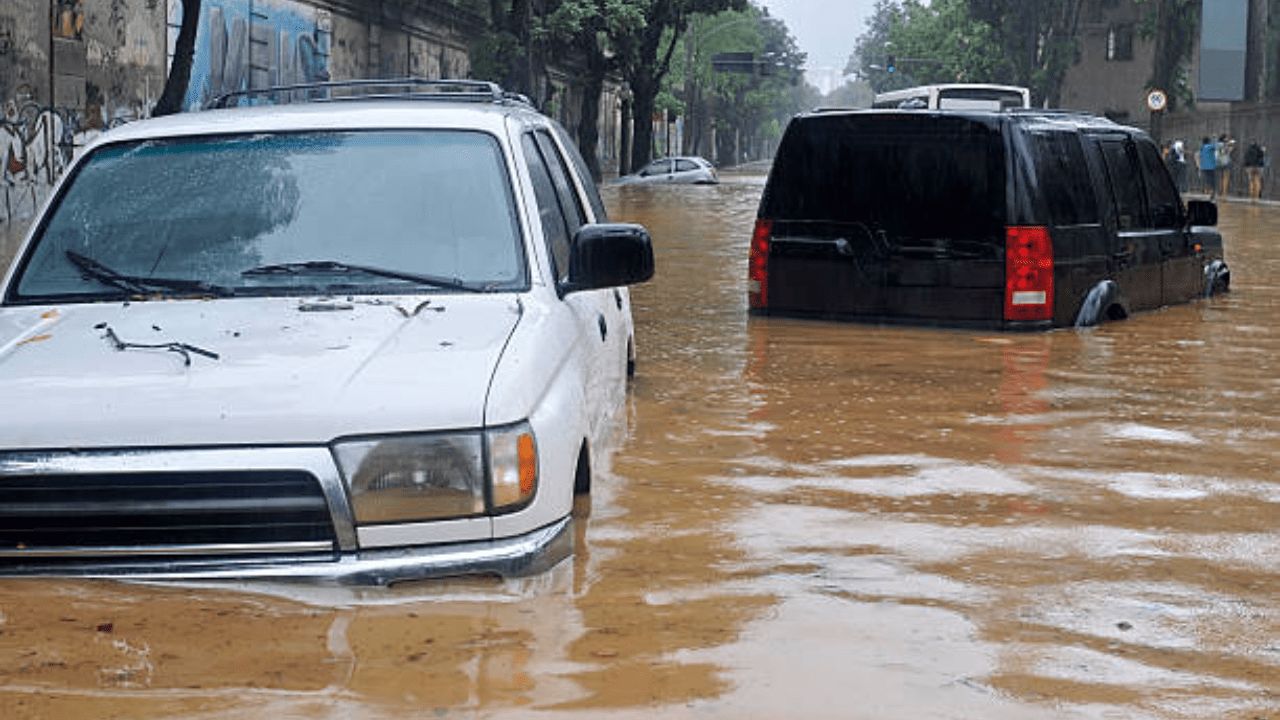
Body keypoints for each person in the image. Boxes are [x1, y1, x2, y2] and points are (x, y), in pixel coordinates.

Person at [1216, 134, 1236, 198]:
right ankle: (1224, 192)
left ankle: (1220, 191)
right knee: (1226, 178)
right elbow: (1230, 149)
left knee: (1220, 177)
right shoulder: (1226, 144)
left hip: (1218, 162)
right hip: (1226, 161)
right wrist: (1230, 141)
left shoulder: (1217, 144)